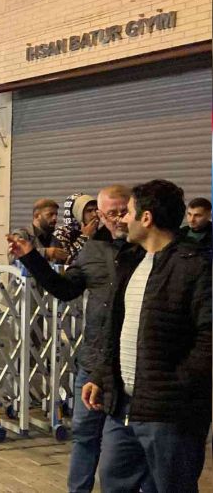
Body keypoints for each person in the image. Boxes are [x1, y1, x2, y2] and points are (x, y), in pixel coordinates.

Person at [78, 180, 210, 492]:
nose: (123, 218)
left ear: (146, 218)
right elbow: (118, 327)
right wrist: (101, 375)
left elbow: (209, 339)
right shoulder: (131, 261)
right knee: (112, 482)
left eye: (130, 212)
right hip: (122, 408)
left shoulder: (195, 268)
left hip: (168, 414)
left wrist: (178, 384)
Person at [8, 185, 138, 493]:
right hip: (93, 361)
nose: (118, 220)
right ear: (99, 215)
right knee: (84, 434)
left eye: (124, 212)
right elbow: (65, 289)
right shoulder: (92, 250)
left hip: (130, 365)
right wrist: (32, 259)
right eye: (110, 213)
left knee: (124, 446)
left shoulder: (146, 252)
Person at [13, 198, 67, 264]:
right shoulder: (22, 235)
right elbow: (13, 257)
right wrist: (45, 252)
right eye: (50, 214)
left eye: (56, 214)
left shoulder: (55, 241)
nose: (55, 218)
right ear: (36, 216)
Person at [52, 193, 99, 265]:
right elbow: (63, 262)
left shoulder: (101, 232)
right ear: (77, 213)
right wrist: (84, 238)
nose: (95, 214)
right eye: (89, 211)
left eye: (96, 210)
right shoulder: (62, 233)